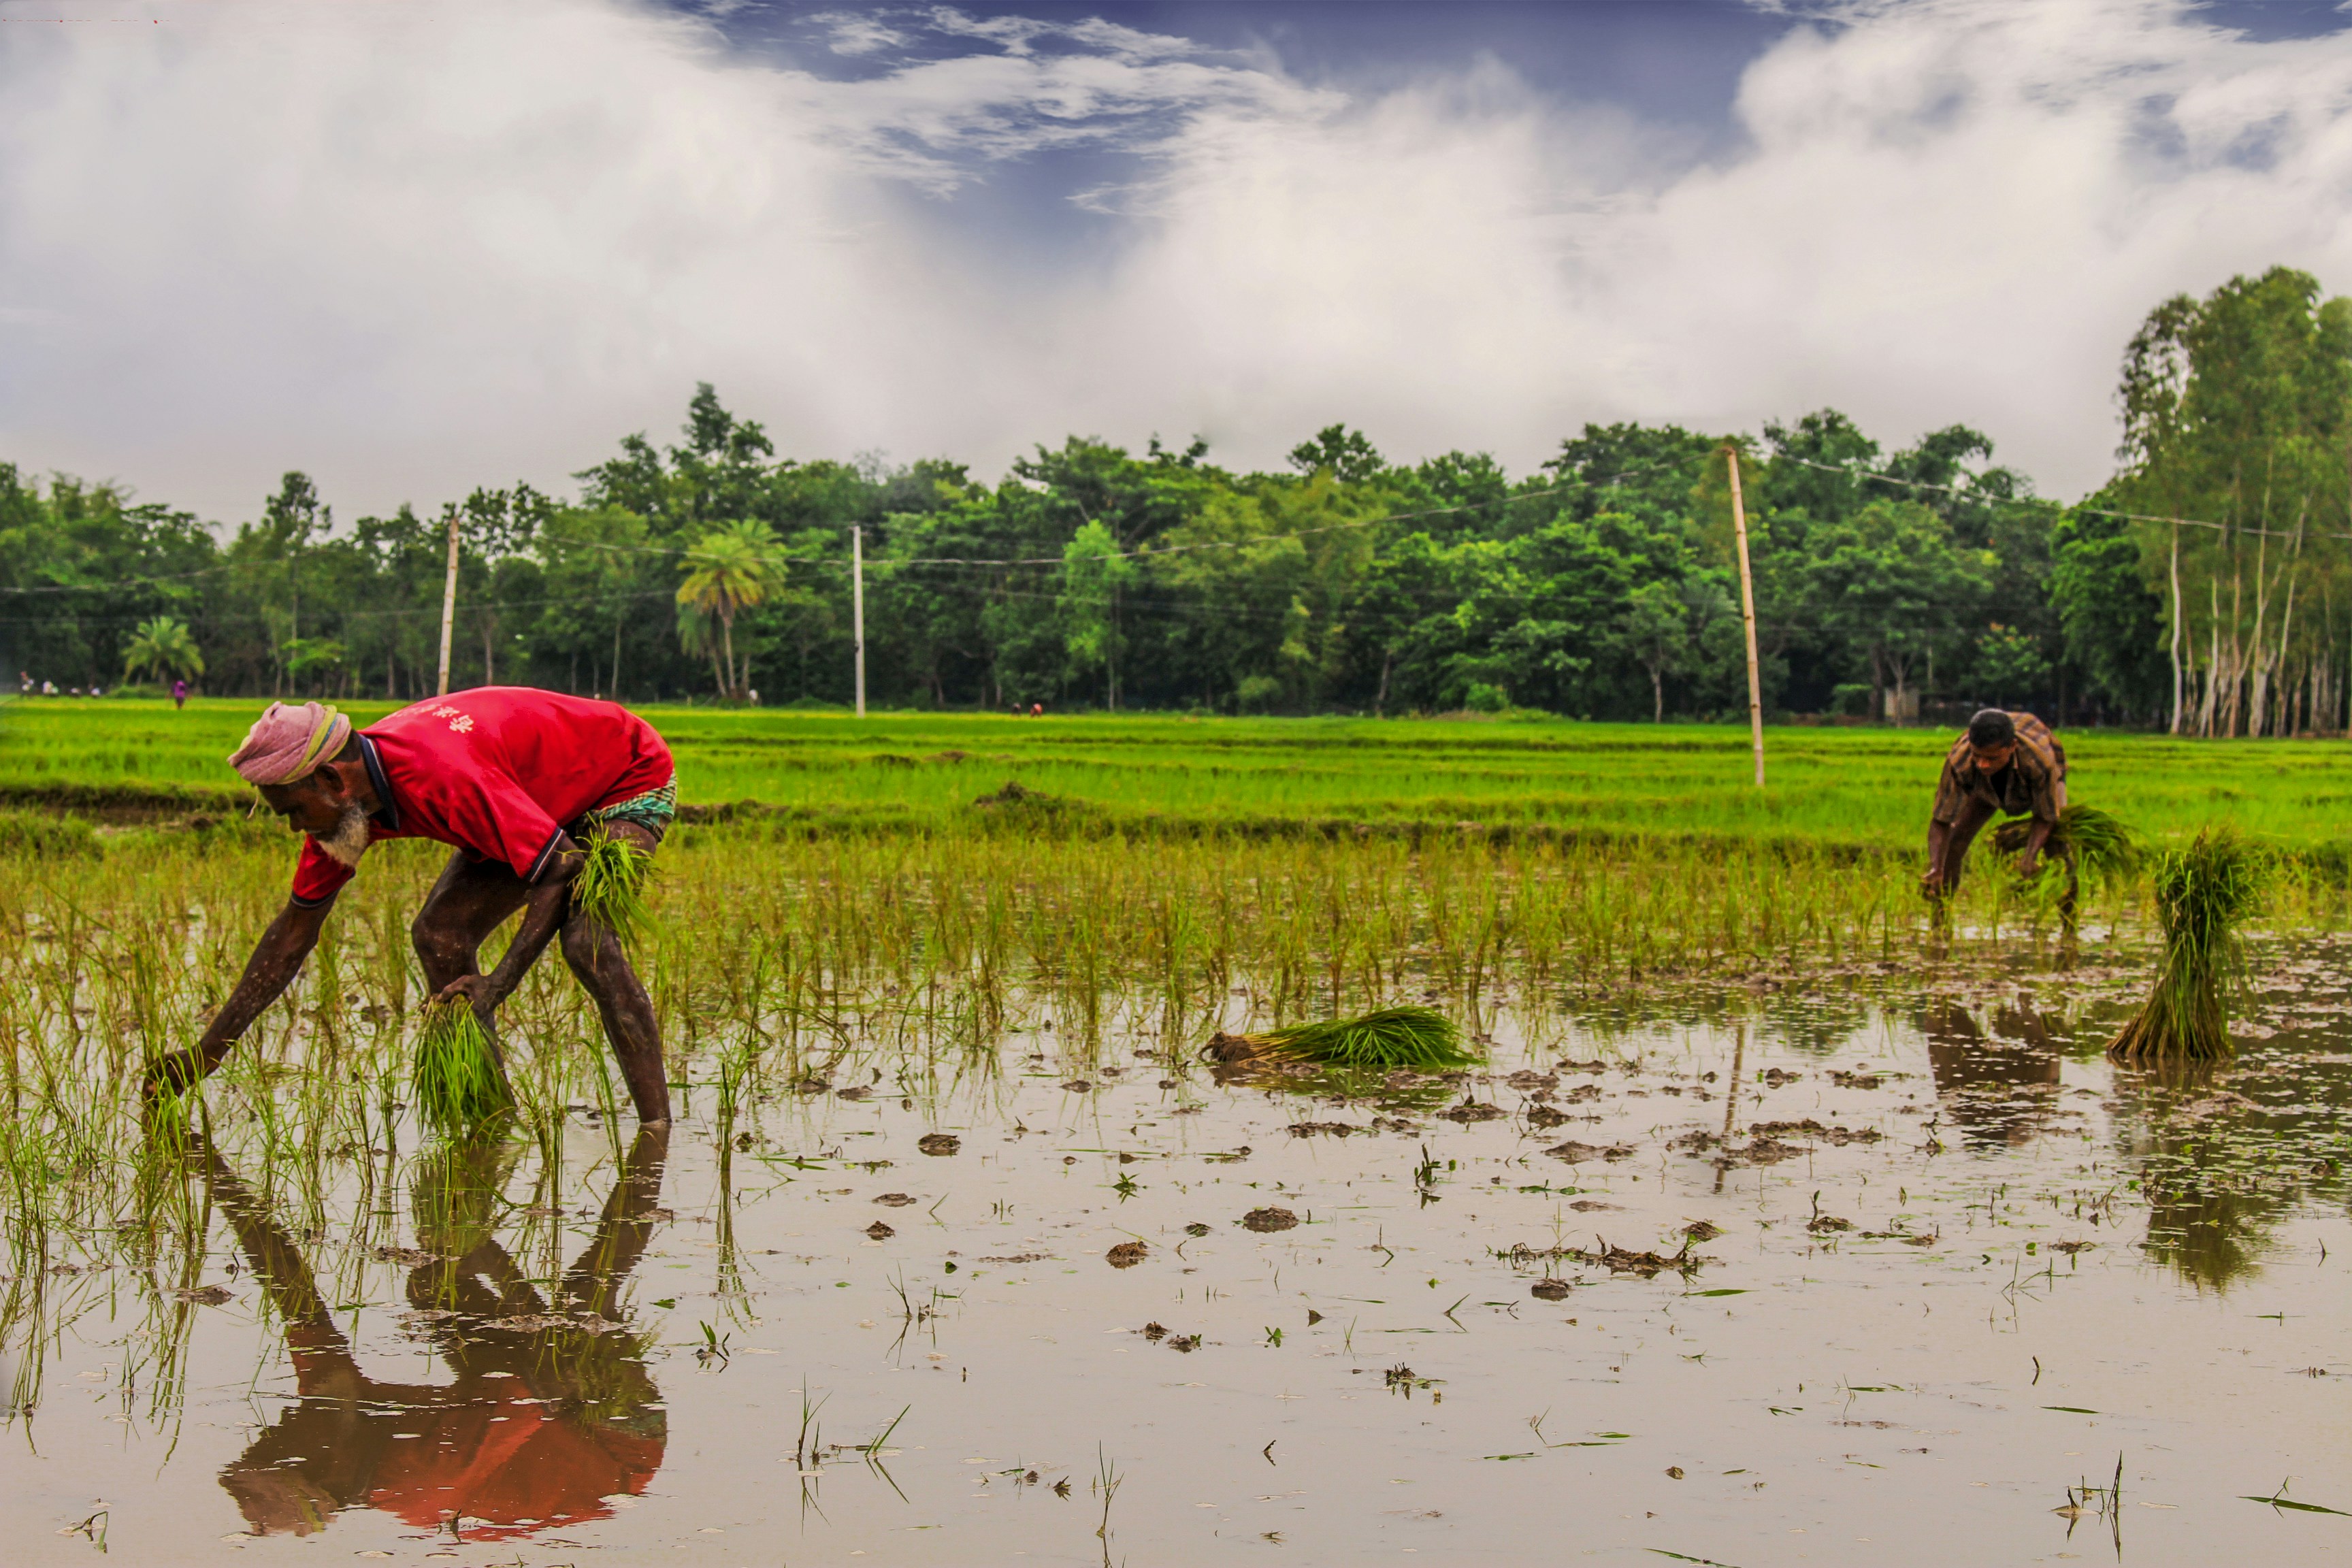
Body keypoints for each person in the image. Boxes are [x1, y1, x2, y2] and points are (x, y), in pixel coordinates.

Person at [144, 689, 679, 1123]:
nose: (295, 827)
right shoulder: (343, 816)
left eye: (293, 811)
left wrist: (497, 983)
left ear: (332, 780)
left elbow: (561, 867)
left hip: (618, 775)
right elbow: (293, 934)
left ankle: (657, 1134)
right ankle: (491, 1120)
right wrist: (208, 1052)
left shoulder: (441, 774)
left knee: (588, 944)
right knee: (439, 934)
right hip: (528, 797)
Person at [1922, 707, 2067, 896]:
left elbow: (2046, 816)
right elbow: (1941, 820)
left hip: (2034, 783)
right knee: (1954, 843)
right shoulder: (1961, 761)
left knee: (2059, 849)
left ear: (2013, 746)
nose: (1983, 764)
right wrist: (1936, 867)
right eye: (1978, 756)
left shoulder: (2038, 763)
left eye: (1992, 758)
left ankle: (2069, 921)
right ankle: (1940, 920)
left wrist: (2029, 858)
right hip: (1985, 788)